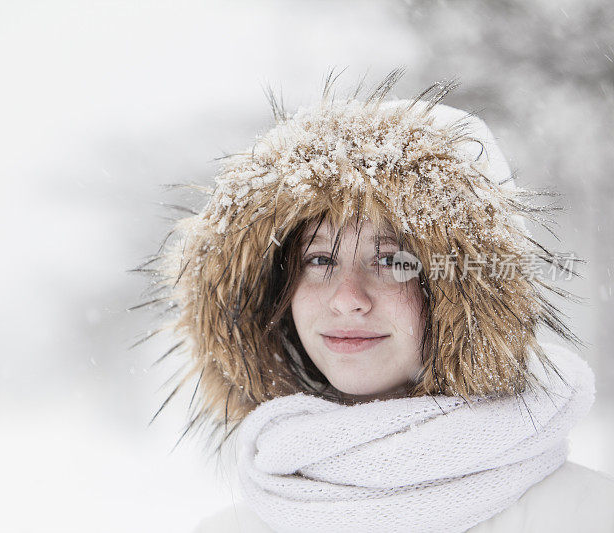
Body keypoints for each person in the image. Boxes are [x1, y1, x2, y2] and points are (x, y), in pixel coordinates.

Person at [135, 69, 614, 532]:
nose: (347, 300)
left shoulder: (587, 516)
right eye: (319, 260)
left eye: (393, 262)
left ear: (463, 298)